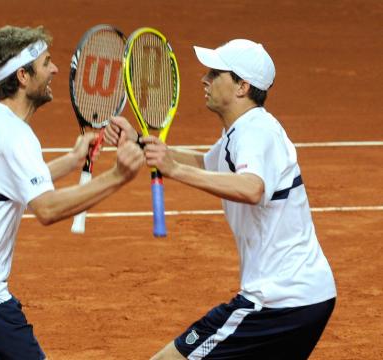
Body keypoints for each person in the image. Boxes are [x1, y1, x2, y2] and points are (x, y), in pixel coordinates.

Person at [0, 25, 144, 359]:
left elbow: (9, 185)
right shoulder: (14, 136)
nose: (55, 70)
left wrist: (73, 159)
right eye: (46, 62)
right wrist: (118, 176)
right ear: (22, 76)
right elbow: (46, 209)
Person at [105, 39, 336, 359]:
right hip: (304, 298)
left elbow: (251, 188)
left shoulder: (255, 132)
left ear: (242, 86)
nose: (205, 79)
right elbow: (204, 163)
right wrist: (141, 143)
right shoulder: (243, 131)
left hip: (275, 303)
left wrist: (172, 169)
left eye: (216, 73)